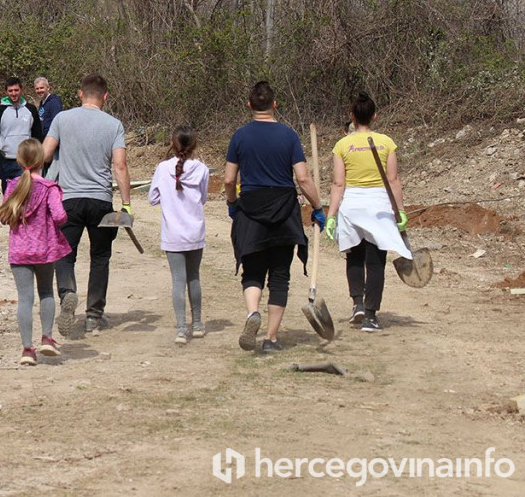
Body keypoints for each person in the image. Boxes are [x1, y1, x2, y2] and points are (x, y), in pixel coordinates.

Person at [224, 81, 325, 354]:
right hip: (283, 210)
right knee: (280, 275)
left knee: (253, 271)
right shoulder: (288, 136)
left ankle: (252, 313)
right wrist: (317, 207)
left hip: (251, 210)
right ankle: (270, 339)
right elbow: (303, 178)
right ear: (275, 105)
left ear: (249, 106)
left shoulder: (240, 136)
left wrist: (232, 203)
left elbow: (229, 179)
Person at [42, 73, 132, 335]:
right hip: (101, 201)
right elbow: (120, 166)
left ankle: (68, 293)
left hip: (68, 199)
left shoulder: (62, 119)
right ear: (106, 96)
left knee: (64, 254)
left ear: (80, 94)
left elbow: (45, 154)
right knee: (100, 257)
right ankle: (93, 315)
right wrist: (126, 205)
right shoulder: (114, 125)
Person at [325, 92, 412, 333]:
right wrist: (400, 211)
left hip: (352, 205)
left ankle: (358, 304)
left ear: (352, 116)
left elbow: (338, 184)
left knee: (354, 256)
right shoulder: (386, 142)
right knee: (375, 261)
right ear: (374, 116)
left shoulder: (342, 145)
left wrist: (331, 215)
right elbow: (393, 180)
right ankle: (371, 316)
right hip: (379, 207)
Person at [0, 139, 72, 365]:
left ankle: (27, 349)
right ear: (42, 160)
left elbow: (3, 218)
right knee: (46, 292)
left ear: (19, 161)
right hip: (44, 250)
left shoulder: (12, 186)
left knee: (25, 299)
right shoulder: (49, 188)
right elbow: (59, 216)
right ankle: (47, 338)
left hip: (19, 252)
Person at [148, 126, 209, 344]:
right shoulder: (202, 169)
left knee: (178, 280)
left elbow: (152, 198)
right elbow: (203, 198)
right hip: (195, 231)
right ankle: (198, 324)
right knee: (194, 277)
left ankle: (181, 328)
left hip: (172, 233)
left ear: (172, 144)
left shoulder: (163, 168)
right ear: (194, 145)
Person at [0, 77, 43, 193]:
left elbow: (38, 136)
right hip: (6, 161)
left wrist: (36, 155)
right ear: (6, 92)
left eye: (16, 90)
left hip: (26, 161)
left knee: (26, 196)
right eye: (10, 91)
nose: (13, 93)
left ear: (21, 90)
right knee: (8, 197)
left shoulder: (31, 110)